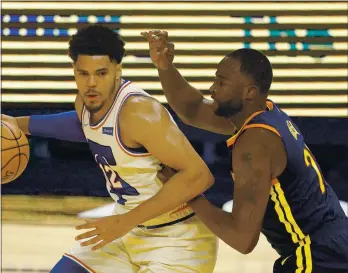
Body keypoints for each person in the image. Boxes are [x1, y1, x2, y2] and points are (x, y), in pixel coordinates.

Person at [2, 25, 218, 273]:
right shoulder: (86, 102)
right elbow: (82, 124)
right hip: (128, 230)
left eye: (101, 73)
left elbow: (199, 176)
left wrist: (124, 222)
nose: (91, 83)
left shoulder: (140, 113)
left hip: (179, 239)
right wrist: (17, 124)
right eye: (83, 74)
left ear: (118, 70)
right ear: (74, 71)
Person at [141, 30, 348, 273]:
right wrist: (165, 67)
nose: (211, 88)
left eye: (221, 82)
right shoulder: (264, 112)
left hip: (317, 255)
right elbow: (193, 110)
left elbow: (242, 239)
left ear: (249, 92)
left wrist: (187, 192)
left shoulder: (254, 146)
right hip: (334, 241)